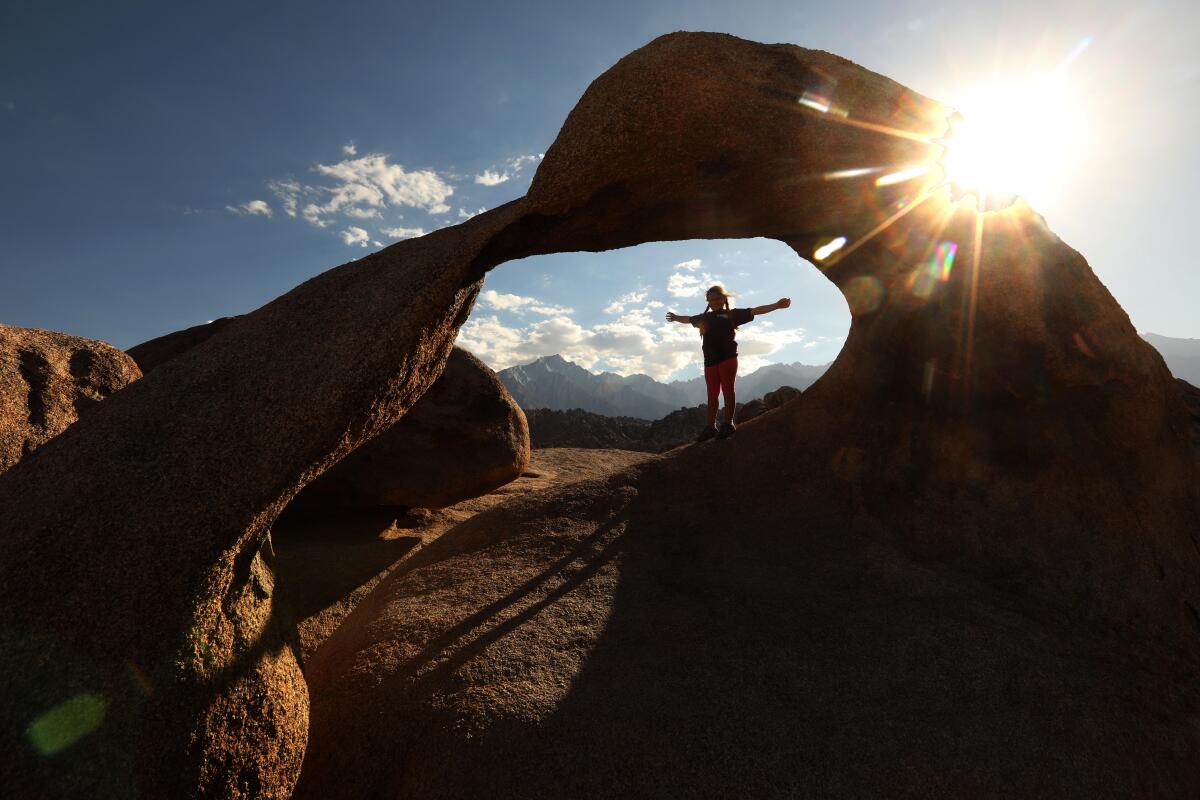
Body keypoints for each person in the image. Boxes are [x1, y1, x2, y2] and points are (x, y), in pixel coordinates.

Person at [666, 285, 792, 441]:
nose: (714, 302)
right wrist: (675, 317)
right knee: (712, 394)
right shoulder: (705, 318)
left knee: (727, 390)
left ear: (723, 299)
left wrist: (777, 305)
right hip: (710, 361)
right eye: (711, 300)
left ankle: (728, 423)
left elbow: (755, 311)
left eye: (717, 299)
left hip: (728, 358)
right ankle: (710, 427)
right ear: (708, 302)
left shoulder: (732, 315)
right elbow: (688, 319)